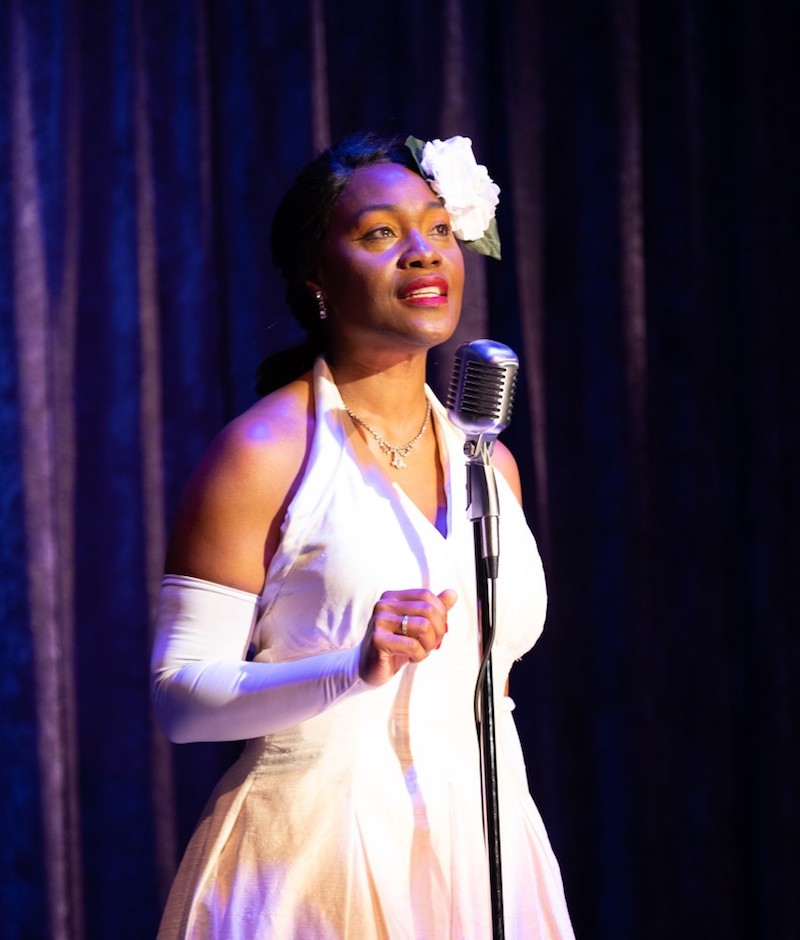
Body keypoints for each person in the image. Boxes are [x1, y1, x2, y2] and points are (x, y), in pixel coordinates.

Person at [151, 131, 574, 939]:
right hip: (315, 859)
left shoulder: (492, 464)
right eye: (380, 233)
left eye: (439, 229)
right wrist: (354, 666)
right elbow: (180, 700)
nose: (422, 253)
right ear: (316, 279)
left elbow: (487, 688)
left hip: (485, 853)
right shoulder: (265, 453)